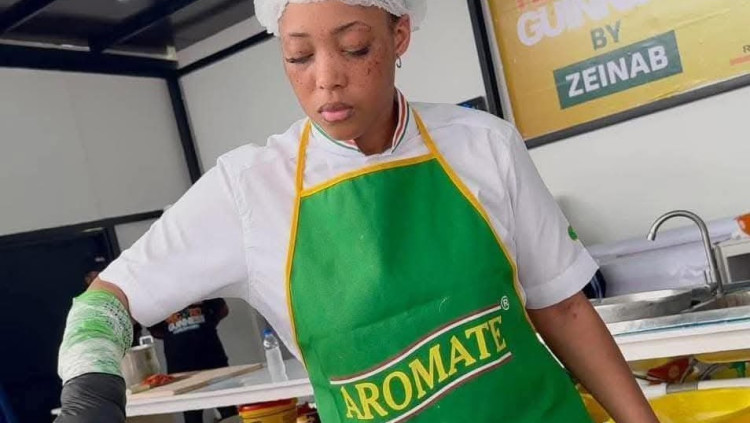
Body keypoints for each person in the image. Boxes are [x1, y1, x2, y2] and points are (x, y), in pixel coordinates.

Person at [54, 1, 659, 422]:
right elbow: (102, 306)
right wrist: (90, 389)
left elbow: (565, 310)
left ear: (399, 36)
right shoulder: (249, 192)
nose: (327, 80)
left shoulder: (484, 145)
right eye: (298, 56)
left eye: (354, 48)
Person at [149, 300, 237, 423]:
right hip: (181, 368)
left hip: (213, 361)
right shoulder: (157, 299)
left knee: (228, 411)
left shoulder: (199, 291)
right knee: (192, 415)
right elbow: (154, 329)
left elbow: (223, 309)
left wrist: (207, 323)